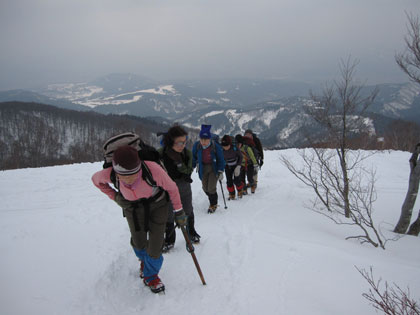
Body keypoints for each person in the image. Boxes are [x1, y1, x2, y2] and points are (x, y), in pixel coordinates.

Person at [92, 145, 187, 294]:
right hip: (132, 208)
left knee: (156, 245)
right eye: (124, 176)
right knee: (138, 241)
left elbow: (172, 188)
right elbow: (96, 180)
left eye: (134, 174)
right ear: (117, 173)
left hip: (158, 205)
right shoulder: (109, 174)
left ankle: (151, 276)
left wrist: (179, 211)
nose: (129, 179)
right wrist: (116, 197)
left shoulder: (152, 169)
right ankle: (144, 261)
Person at [158, 125, 201, 252]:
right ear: (171, 142)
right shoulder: (161, 154)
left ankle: (191, 233)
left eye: (185, 141)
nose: (183, 145)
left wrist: (182, 168)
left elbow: (189, 169)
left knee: (187, 210)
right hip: (167, 188)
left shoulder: (186, 153)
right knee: (169, 215)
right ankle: (169, 240)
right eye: (180, 142)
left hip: (183, 186)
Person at [192, 124, 225, 213]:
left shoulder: (215, 146)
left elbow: (221, 159)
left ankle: (213, 204)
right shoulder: (197, 145)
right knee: (205, 188)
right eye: (201, 139)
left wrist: (221, 170)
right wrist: (191, 166)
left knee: (211, 188)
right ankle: (212, 197)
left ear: (209, 139)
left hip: (213, 168)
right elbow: (193, 157)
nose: (203, 141)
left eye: (205, 139)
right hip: (203, 168)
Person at [221, 135, 243, 200]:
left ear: (230, 144)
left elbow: (240, 157)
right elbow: (221, 159)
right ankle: (232, 193)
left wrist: (238, 166)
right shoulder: (221, 150)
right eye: (224, 146)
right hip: (227, 166)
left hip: (236, 166)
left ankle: (239, 191)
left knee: (237, 180)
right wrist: (221, 170)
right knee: (229, 181)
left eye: (227, 146)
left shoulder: (235, 148)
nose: (225, 148)